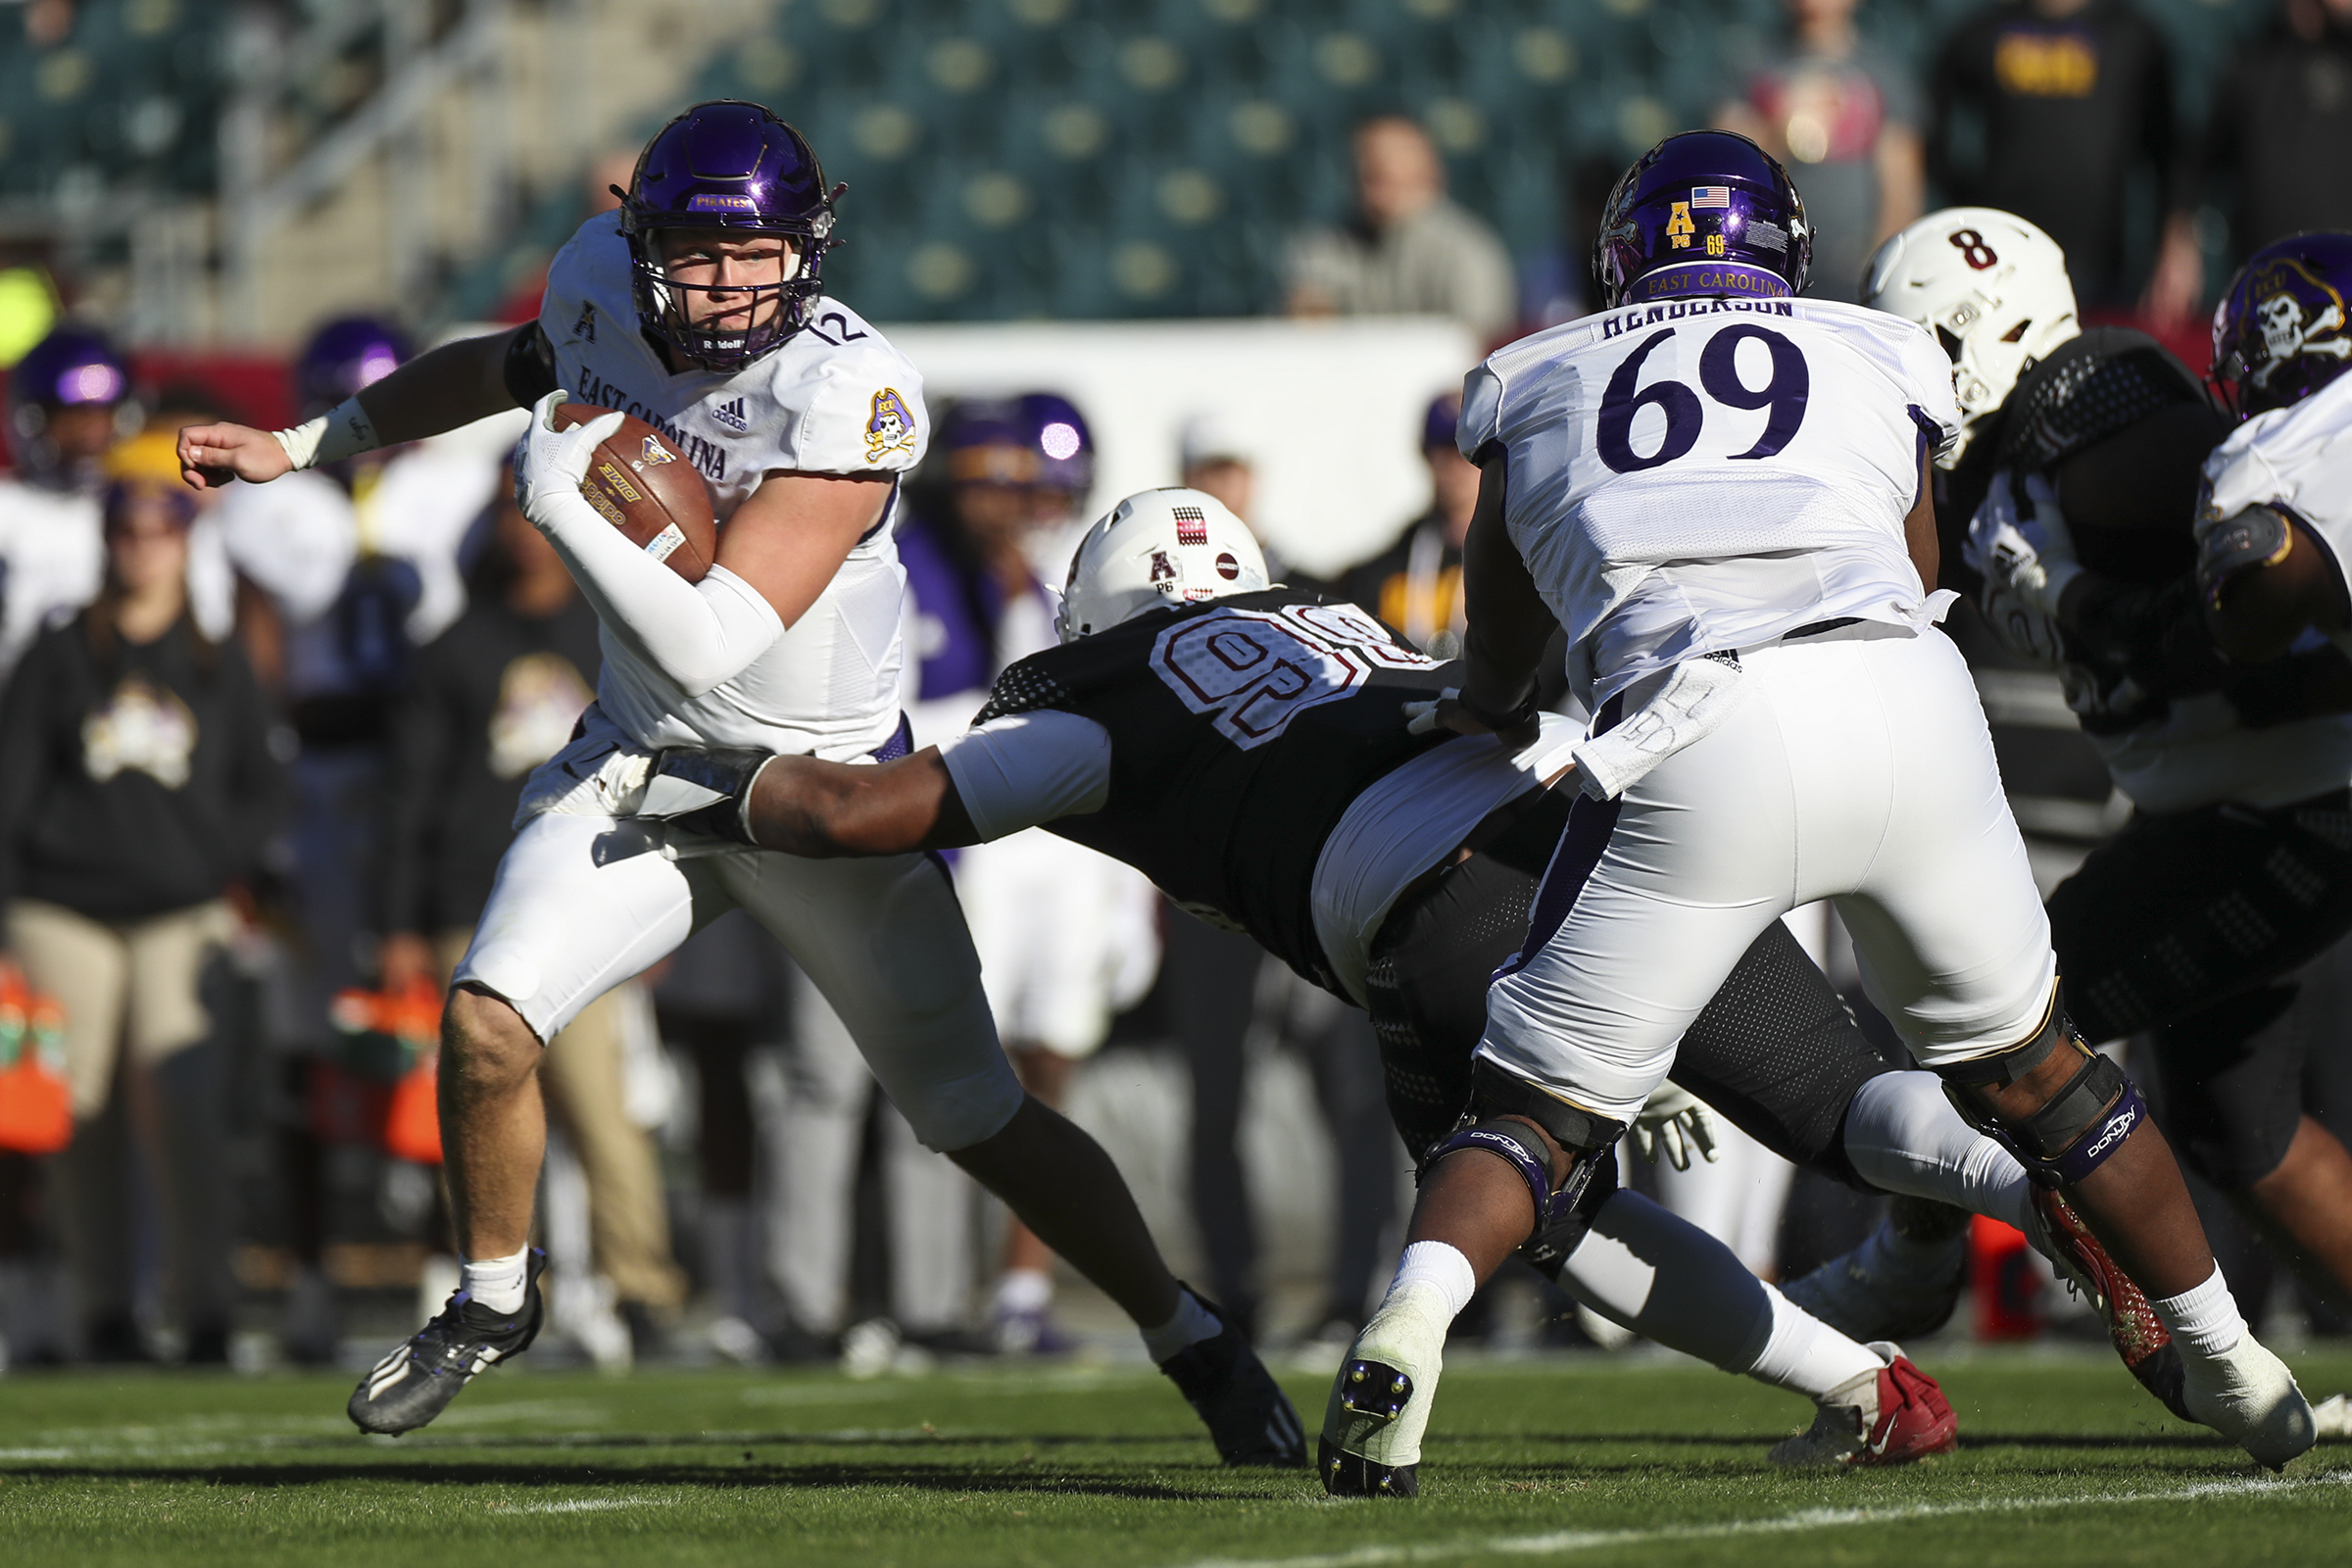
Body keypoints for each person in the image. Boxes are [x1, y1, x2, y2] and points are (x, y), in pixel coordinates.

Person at [177, 100, 1301, 1465]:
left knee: (975, 1115)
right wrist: (303, 446)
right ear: (640, 244)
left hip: (820, 793)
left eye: (756, 254)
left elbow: (718, 631)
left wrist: (561, 502)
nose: (726, 285)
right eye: (699, 255)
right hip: (646, 762)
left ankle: (1189, 1333)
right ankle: (492, 1296)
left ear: (807, 250)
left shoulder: (848, 392)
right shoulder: (596, 282)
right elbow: (499, 368)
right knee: (483, 1025)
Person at [1314, 130, 2310, 1493]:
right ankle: (2231, 1362)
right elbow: (1911, 559)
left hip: (1703, 728)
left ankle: (1409, 1326)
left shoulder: (1539, 370)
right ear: (1784, 245)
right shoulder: (1868, 346)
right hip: (1903, 706)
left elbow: (1501, 622)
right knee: (2046, 1071)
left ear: (1623, 253)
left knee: (1531, 1118)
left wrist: (1492, 701)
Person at [635, 485, 1994, 1469]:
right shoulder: (1330, 617)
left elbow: (870, 814)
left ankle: (1860, 1389)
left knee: (1539, 1208)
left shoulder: (1094, 702)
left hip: (1434, 911)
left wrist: (703, 793)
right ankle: (2058, 1184)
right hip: (1600, 831)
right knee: (1848, 1102)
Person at [1869, 220, 2352, 1348]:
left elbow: (2247, 604)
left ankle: (1908, 1265)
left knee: (2013, 1016)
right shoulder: (2018, 457)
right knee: (2238, 1125)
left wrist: (2085, 607)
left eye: (1916, 346)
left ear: (1975, 337)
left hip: (2292, 800)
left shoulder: (2094, 420)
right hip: (2237, 804)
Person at [377, 473, 688, 1361]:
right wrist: (399, 924)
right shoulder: (451, 649)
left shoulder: (619, 635)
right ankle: (490, 1297)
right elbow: (410, 799)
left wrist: (655, 904)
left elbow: (663, 770)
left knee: (603, 1113)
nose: (527, 533)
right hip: (469, 905)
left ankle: (644, 1288)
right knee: (476, 1113)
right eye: (513, 512)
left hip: (586, 899)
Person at [0, 432, 287, 1362]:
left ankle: (206, 1306)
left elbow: (258, 786)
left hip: (180, 907)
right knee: (77, 1112)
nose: (143, 546)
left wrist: (216, 860)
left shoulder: (214, 658)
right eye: (126, 530)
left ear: (182, 541)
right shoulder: (58, 652)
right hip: (64, 908)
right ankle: (102, 1310)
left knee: (187, 1101)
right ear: (107, 539)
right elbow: (11, 791)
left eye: (160, 529)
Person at [1927, 0, 2180, 311]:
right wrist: (1964, 195)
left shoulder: (2133, 36)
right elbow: (1931, 128)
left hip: (2098, 258)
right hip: (2001, 253)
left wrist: (2174, 247)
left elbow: (2168, 153)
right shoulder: (1985, 31)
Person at [2147, 0, 2352, 329]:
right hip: (2267, 288)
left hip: (2346, 287)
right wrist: (2178, 241)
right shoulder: (2252, 59)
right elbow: (2196, 161)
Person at [1715, 0, 1924, 304]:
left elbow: (1902, 190)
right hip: (1768, 264)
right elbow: (1730, 171)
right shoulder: (1750, 65)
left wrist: (1876, 268)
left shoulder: (1883, 73)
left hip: (1852, 271)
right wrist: (1786, 127)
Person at [1284, 116, 1517, 342]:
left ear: (1429, 170)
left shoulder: (1468, 250)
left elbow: (1481, 343)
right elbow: (1306, 331)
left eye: (1390, 161)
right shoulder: (1325, 244)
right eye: (1365, 161)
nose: (1371, 169)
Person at [1335, 393, 1481, 660]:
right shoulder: (1381, 574)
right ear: (1424, 453)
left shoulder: (1525, 564)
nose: (1459, 464)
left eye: (1471, 452)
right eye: (1446, 450)